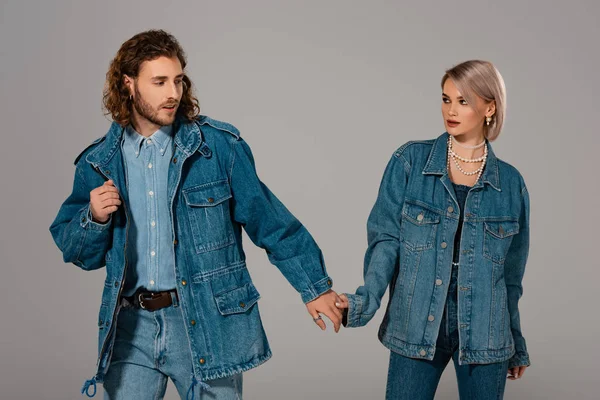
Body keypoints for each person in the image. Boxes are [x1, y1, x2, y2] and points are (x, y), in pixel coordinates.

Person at [50, 29, 342, 400]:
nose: (173, 93)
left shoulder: (217, 148)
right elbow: (79, 254)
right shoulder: (99, 162)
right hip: (131, 328)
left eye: (178, 80)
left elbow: (269, 221)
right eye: (159, 82)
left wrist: (314, 288)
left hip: (205, 321)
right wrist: (95, 216)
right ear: (128, 84)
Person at [336, 60, 531, 399]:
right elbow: (386, 241)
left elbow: (511, 277)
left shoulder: (511, 184)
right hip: (415, 320)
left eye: (463, 101)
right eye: (445, 99)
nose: (450, 110)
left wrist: (515, 341)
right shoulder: (410, 162)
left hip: (487, 330)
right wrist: (364, 302)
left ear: (489, 107)